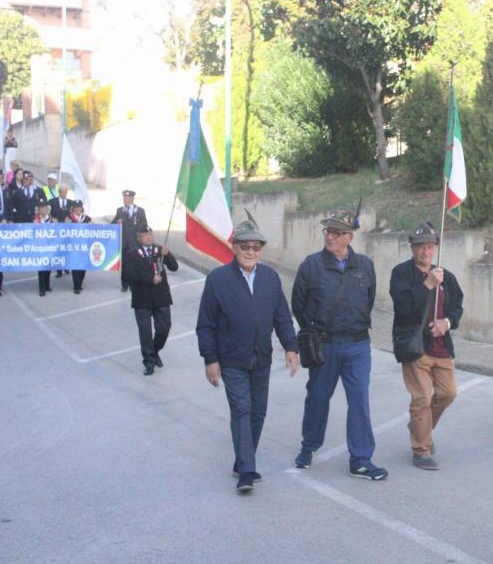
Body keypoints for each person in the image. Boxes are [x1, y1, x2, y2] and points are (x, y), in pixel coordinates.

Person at [196, 219, 300, 493]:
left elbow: (282, 317)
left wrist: (291, 347)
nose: (250, 251)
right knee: (241, 410)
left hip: (261, 358)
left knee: (258, 412)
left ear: (261, 250)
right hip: (231, 359)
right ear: (234, 247)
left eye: (256, 247)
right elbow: (205, 324)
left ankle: (242, 459)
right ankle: (246, 470)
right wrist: (210, 359)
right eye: (245, 246)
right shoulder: (217, 280)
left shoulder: (270, 277)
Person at [291, 207, 388, 481]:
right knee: (318, 398)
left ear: (349, 236)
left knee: (359, 401)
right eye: (328, 231)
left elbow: (368, 301)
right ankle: (309, 447)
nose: (330, 237)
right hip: (326, 345)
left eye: (336, 233)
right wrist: (314, 330)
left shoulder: (364, 266)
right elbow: (298, 304)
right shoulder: (311, 265)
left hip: (358, 345)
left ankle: (360, 459)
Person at [389, 222, 464, 470]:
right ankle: (421, 450)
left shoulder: (447, 276)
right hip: (415, 346)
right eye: (420, 246)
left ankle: (419, 426)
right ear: (412, 248)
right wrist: (428, 285)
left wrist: (448, 322)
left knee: (448, 393)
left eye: (430, 246)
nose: (425, 251)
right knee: (421, 397)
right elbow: (403, 307)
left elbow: (457, 305)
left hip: (441, 346)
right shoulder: (401, 273)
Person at [123, 226, 177, 376]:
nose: (148, 237)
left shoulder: (160, 251)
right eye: (145, 234)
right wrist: (150, 278)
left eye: (150, 234)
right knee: (145, 332)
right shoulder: (132, 254)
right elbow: (128, 274)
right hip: (142, 298)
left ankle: (155, 351)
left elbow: (174, 267)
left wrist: (169, 254)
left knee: (164, 328)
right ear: (139, 237)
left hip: (161, 297)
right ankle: (149, 361)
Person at [112, 190, 148, 292]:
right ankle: (124, 285)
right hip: (124, 243)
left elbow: (145, 225)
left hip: (135, 243)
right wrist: (116, 222)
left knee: (134, 265)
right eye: (124, 198)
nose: (125, 200)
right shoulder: (120, 210)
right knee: (124, 265)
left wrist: (142, 237)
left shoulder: (140, 211)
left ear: (132, 199)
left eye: (127, 199)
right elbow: (112, 224)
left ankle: (133, 285)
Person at [67, 201, 91, 294]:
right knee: (75, 266)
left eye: (79, 207)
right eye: (76, 207)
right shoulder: (69, 219)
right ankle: (76, 286)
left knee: (82, 267)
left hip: (84, 247)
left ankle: (80, 283)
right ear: (73, 209)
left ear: (82, 208)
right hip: (73, 247)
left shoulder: (87, 219)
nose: (78, 209)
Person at [50, 184, 73, 278]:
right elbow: (49, 213)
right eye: (62, 192)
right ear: (59, 192)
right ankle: (59, 270)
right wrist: (53, 219)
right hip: (56, 229)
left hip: (67, 230)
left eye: (65, 192)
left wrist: (70, 218)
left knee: (66, 249)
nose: (64, 194)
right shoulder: (52, 201)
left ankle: (66, 266)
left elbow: (73, 214)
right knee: (58, 249)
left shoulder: (71, 203)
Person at [34, 201, 54, 297]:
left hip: (50, 247)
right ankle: (42, 289)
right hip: (39, 247)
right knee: (41, 268)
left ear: (47, 209)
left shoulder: (52, 220)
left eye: (44, 207)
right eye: (40, 207)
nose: (42, 209)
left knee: (48, 268)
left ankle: (47, 284)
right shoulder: (35, 220)